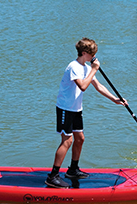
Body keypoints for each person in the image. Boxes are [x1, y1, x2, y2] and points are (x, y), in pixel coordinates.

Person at [46, 38, 127, 188]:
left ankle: (73, 169)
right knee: (67, 141)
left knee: (80, 138)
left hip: (76, 108)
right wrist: (94, 69)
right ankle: (53, 176)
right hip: (65, 108)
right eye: (92, 55)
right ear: (84, 53)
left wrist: (114, 99)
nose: (94, 58)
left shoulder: (85, 68)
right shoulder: (74, 67)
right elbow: (83, 86)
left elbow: (98, 86)